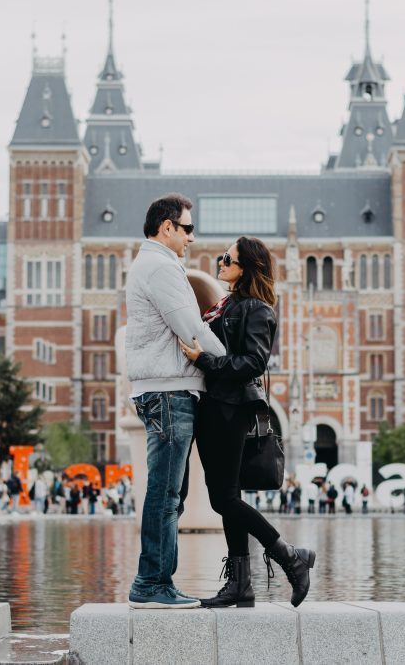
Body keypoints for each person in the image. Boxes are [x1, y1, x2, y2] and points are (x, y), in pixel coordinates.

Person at [180, 235, 316, 609]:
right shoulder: (229, 303)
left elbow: (254, 363)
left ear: (247, 268)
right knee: (227, 497)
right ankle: (241, 585)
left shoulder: (258, 309)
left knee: (223, 498)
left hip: (230, 409)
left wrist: (203, 360)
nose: (220, 263)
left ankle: (290, 556)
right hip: (215, 407)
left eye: (228, 258)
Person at [125, 193, 227, 610]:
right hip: (168, 391)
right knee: (165, 493)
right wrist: (233, 365)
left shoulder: (154, 265)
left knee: (170, 494)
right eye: (187, 228)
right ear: (166, 227)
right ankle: (151, 584)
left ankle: (158, 581)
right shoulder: (160, 268)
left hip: (164, 388)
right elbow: (190, 326)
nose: (192, 237)